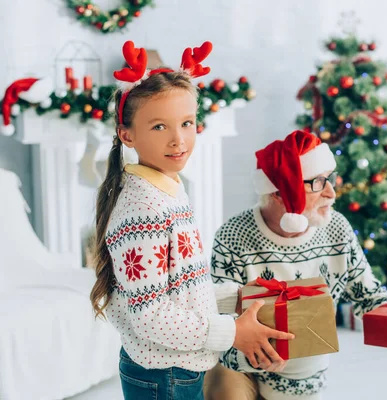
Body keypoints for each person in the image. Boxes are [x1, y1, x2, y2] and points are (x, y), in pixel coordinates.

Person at [89, 40, 292, 400]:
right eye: (159, 127)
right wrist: (232, 332)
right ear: (127, 135)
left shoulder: (167, 188)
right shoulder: (144, 210)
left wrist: (238, 296)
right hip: (163, 374)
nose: (178, 139)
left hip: (177, 365)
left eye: (186, 122)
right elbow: (150, 316)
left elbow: (181, 290)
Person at [204, 130, 387, 400]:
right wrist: (255, 354)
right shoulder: (233, 235)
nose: (331, 192)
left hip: (305, 373)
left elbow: (368, 296)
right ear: (279, 194)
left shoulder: (336, 227)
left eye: (329, 179)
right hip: (242, 366)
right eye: (316, 182)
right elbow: (219, 321)